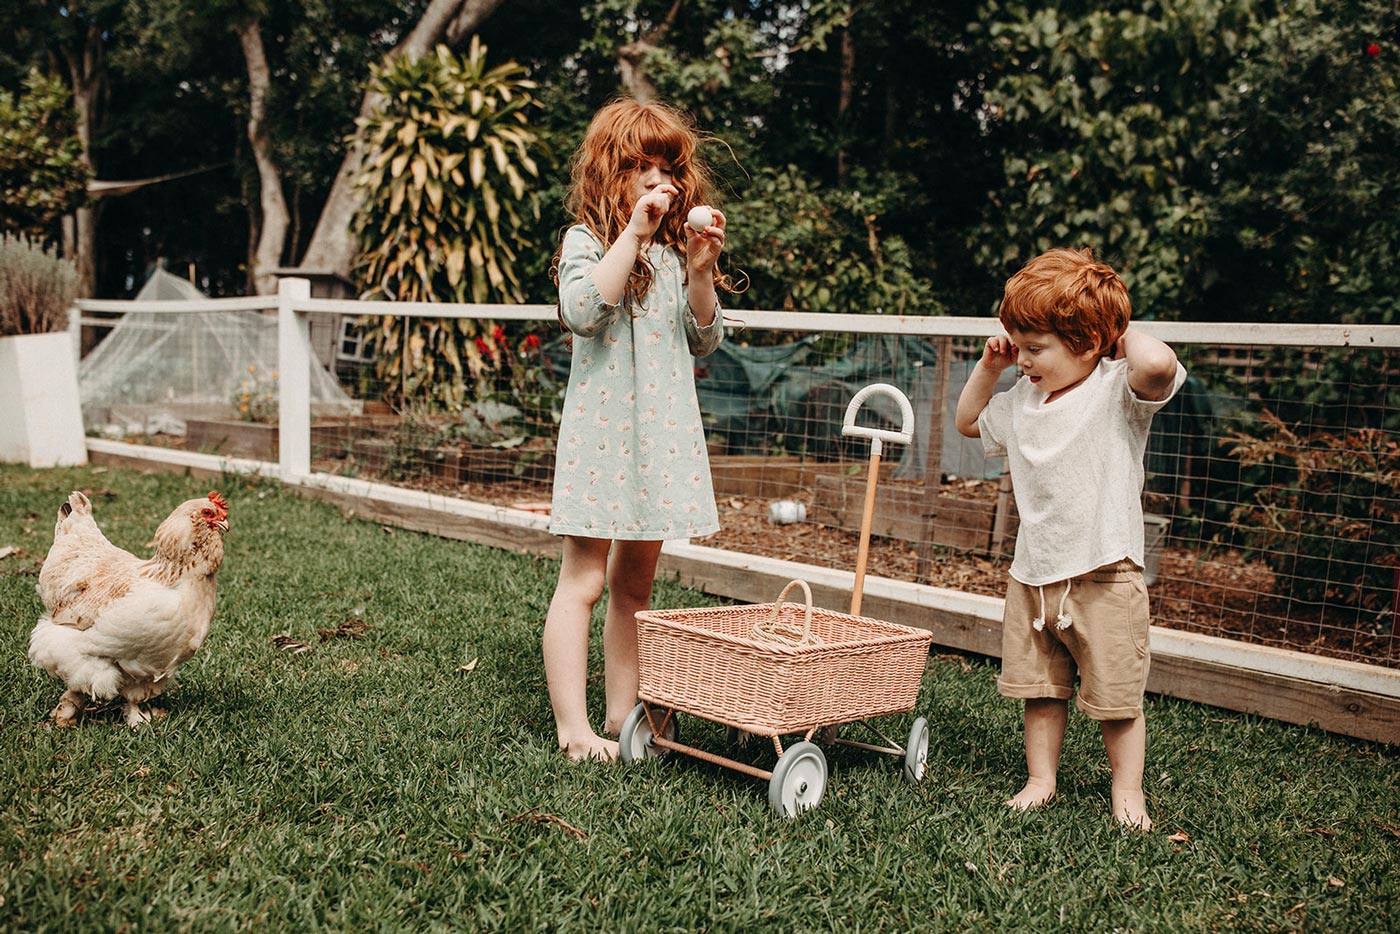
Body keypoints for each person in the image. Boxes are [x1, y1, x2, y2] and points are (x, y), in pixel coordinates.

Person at [955, 247, 1185, 830]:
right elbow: (965, 421)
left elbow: (1157, 364)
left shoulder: (1116, 392)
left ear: (1085, 341)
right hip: (1034, 574)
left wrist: (1113, 328)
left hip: (1106, 573)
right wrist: (991, 366)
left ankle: (1128, 792)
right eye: (1020, 346)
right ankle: (1041, 779)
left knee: (1117, 699)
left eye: (1036, 349)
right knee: (1041, 689)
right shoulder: (1023, 400)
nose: (1025, 360)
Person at [542, 98, 732, 761]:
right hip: (600, 442)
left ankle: (626, 717)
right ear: (609, 174)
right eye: (640, 168)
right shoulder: (589, 242)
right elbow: (584, 309)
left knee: (635, 589)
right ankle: (573, 730)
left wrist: (703, 270)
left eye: (667, 169)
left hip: (659, 441)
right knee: (585, 581)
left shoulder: (678, 256)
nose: (658, 182)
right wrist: (635, 234)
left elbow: (704, 339)